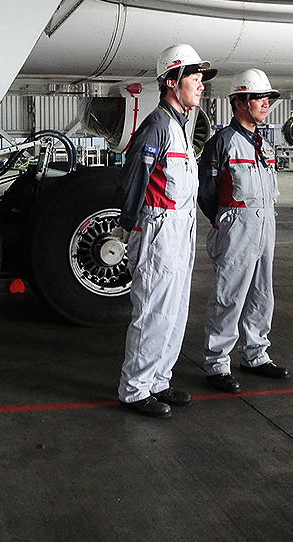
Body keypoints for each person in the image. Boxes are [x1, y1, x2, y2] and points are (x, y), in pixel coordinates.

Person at [117, 44, 217, 418]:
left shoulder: (178, 127)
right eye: (195, 78)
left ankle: (159, 380)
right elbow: (133, 179)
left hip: (180, 229)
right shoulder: (157, 127)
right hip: (159, 229)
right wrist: (126, 226)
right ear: (172, 82)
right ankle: (135, 389)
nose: (201, 85)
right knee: (154, 312)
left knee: (175, 311)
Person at [197, 68, 290, 394]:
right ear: (239, 101)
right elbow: (205, 190)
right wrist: (223, 221)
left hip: (265, 223)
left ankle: (255, 354)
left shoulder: (262, 142)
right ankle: (217, 363)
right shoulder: (223, 143)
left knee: (262, 293)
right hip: (237, 224)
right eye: (258, 98)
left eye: (267, 98)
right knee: (229, 295)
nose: (265, 104)